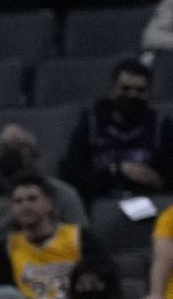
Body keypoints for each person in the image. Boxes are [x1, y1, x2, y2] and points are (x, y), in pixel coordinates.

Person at [61, 59, 173, 202]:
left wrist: (158, 180)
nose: (132, 95)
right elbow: (72, 176)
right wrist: (117, 171)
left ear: (149, 92)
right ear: (112, 89)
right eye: (125, 89)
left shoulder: (161, 126)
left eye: (140, 90)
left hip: (149, 203)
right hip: (99, 203)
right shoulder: (90, 124)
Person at [4, 176, 109, 299]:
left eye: (32, 199)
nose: (25, 206)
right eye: (18, 201)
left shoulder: (79, 237)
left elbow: (104, 278)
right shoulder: (9, 246)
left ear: (49, 203)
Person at [0, 125, 87, 241]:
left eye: (19, 145)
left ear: (35, 153)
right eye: (3, 147)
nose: (10, 152)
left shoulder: (63, 193)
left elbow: (82, 239)